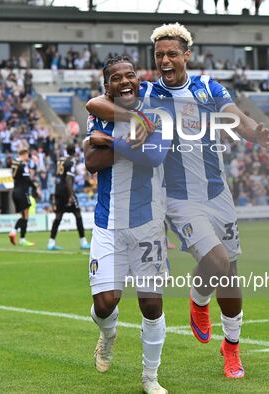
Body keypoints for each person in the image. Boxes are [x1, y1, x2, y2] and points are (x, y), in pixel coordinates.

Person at [86, 23, 269, 379]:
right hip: (178, 199)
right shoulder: (147, 93)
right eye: (159, 55)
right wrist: (128, 117)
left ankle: (231, 348)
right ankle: (199, 299)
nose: (165, 60)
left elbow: (235, 116)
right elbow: (95, 102)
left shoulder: (206, 87)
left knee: (230, 273)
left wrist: (254, 132)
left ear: (187, 55)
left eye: (172, 53)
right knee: (216, 261)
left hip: (218, 192)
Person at [84, 56, 172, 394]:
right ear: (107, 86)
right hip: (108, 223)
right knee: (105, 303)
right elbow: (92, 162)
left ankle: (150, 378)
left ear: (139, 79)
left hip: (147, 223)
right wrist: (131, 140)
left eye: (130, 75)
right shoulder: (99, 114)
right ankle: (108, 333)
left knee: (151, 303)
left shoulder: (157, 109)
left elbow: (155, 156)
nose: (124, 81)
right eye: (116, 78)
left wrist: (113, 144)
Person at [47, 144, 90, 251]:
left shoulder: (60, 160)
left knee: (58, 216)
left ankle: (51, 243)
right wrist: (71, 195)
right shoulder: (72, 161)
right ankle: (83, 242)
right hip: (67, 191)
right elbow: (68, 178)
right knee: (78, 214)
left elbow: (59, 176)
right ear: (75, 152)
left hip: (58, 190)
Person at [8, 148, 40, 246]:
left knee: (23, 216)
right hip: (23, 193)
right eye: (27, 155)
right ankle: (20, 237)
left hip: (15, 192)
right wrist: (36, 188)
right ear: (24, 154)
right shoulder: (22, 164)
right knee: (26, 216)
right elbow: (27, 179)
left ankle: (15, 233)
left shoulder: (14, 163)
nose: (28, 157)